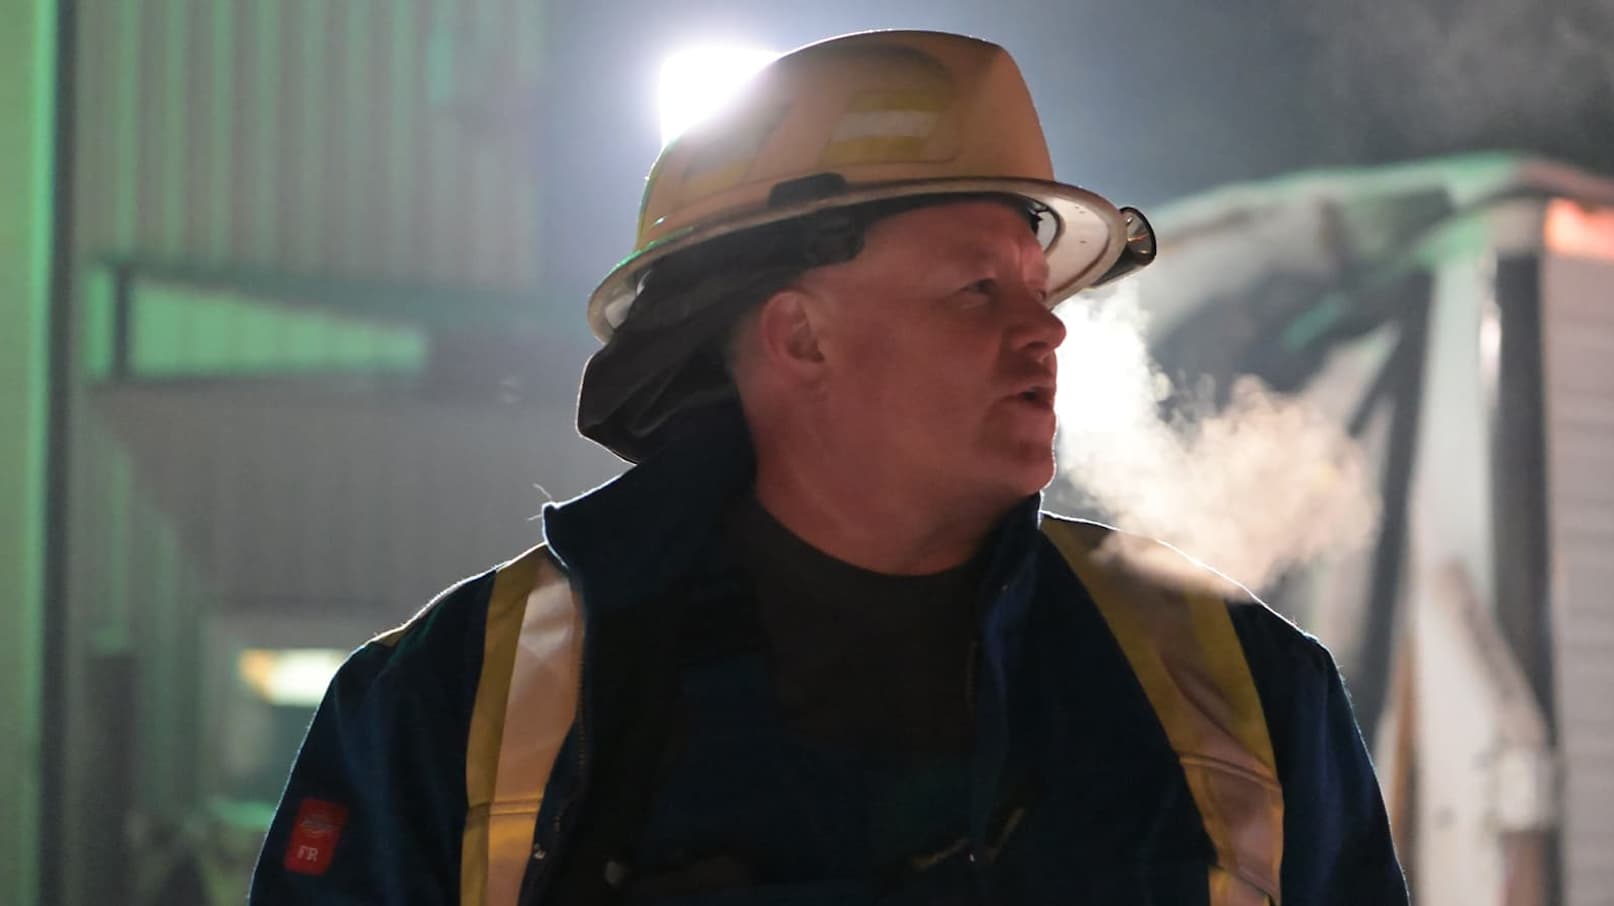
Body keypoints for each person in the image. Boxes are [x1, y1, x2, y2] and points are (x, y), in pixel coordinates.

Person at [250, 29, 1407, 906]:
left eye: (1040, 289)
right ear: (799, 337)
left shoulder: (1249, 692)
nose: (1047, 330)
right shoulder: (449, 704)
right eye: (977, 290)